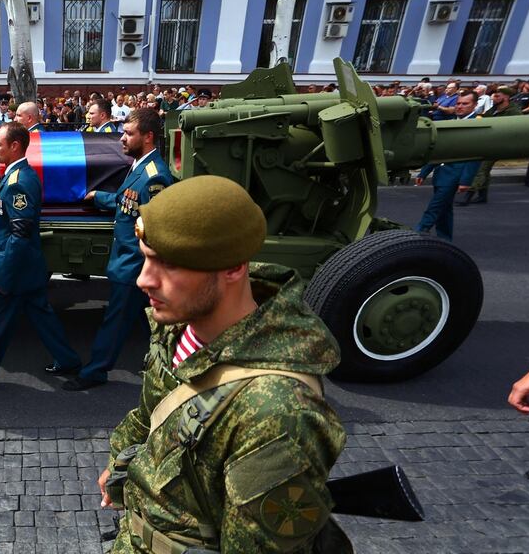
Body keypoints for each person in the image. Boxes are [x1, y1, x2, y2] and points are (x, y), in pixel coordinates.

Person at [100, 175, 348, 553]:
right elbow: (156, 407)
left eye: (169, 264)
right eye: (147, 258)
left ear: (233, 267)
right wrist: (121, 461)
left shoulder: (276, 414)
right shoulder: (182, 323)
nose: (143, 280)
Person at [0, 123, 82, 393]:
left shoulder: (19, 181)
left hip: (15, 269)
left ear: (15, 146)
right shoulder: (16, 176)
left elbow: (19, 235)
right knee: (42, 315)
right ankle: (68, 360)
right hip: (28, 266)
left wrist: (3, 279)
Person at [63, 109, 176, 391]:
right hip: (127, 262)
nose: (122, 139)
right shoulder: (139, 165)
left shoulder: (155, 177)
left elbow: (155, 230)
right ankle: (170, 365)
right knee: (150, 323)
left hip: (134, 266)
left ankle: (95, 371)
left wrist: (146, 271)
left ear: (148, 137)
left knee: (115, 323)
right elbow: (128, 201)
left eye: (128, 134)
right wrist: (99, 197)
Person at [414, 90, 479, 241]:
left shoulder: (477, 125)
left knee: (434, 208)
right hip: (441, 174)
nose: (460, 106)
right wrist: (424, 172)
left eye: (465, 104)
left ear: (475, 105)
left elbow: (476, 155)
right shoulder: (451, 121)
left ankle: (417, 235)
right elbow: (439, 151)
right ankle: (445, 239)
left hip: (454, 176)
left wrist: (465, 180)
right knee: (445, 210)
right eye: (458, 103)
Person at [459, 86, 521, 206]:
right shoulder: (493, 110)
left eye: (497, 96)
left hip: (499, 145)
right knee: (484, 170)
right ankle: (482, 196)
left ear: (506, 97)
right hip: (489, 142)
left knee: (481, 168)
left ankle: (468, 195)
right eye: (493, 95)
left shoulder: (514, 112)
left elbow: (516, 130)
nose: (494, 98)